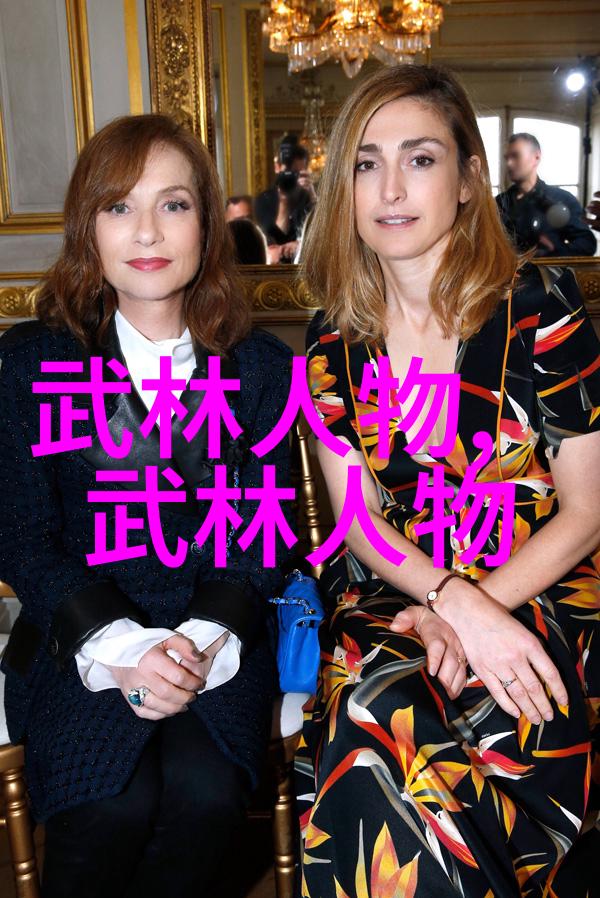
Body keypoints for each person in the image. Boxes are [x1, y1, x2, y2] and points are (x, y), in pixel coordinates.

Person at [296, 64, 600, 898]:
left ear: (468, 179)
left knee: (406, 718)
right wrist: (445, 600)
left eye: (420, 158)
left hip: (541, 587)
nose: (390, 188)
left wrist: (476, 610)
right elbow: (359, 521)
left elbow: (587, 510)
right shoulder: (331, 340)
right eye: (366, 163)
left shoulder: (541, 306)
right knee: (375, 703)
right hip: (398, 591)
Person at [0, 113, 292, 898]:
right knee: (108, 805)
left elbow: (263, 538)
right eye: (119, 206)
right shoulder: (30, 363)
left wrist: (190, 648)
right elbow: (23, 536)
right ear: (87, 228)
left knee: (206, 795)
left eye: (174, 204)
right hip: (80, 639)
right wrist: (125, 648)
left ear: (207, 223)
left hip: (215, 633)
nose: (147, 231)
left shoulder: (261, 367)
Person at [496, 132, 596, 257]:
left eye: (516, 156)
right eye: (506, 158)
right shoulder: (498, 203)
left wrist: (554, 251)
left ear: (536, 157)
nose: (509, 163)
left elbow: (587, 244)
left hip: (548, 270)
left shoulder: (563, 200)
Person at [255, 134, 316, 264]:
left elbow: (324, 234)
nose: (291, 178)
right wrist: (284, 202)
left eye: (296, 174)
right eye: (288, 172)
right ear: (277, 167)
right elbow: (272, 242)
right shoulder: (264, 200)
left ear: (305, 171)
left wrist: (312, 196)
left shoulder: (309, 199)